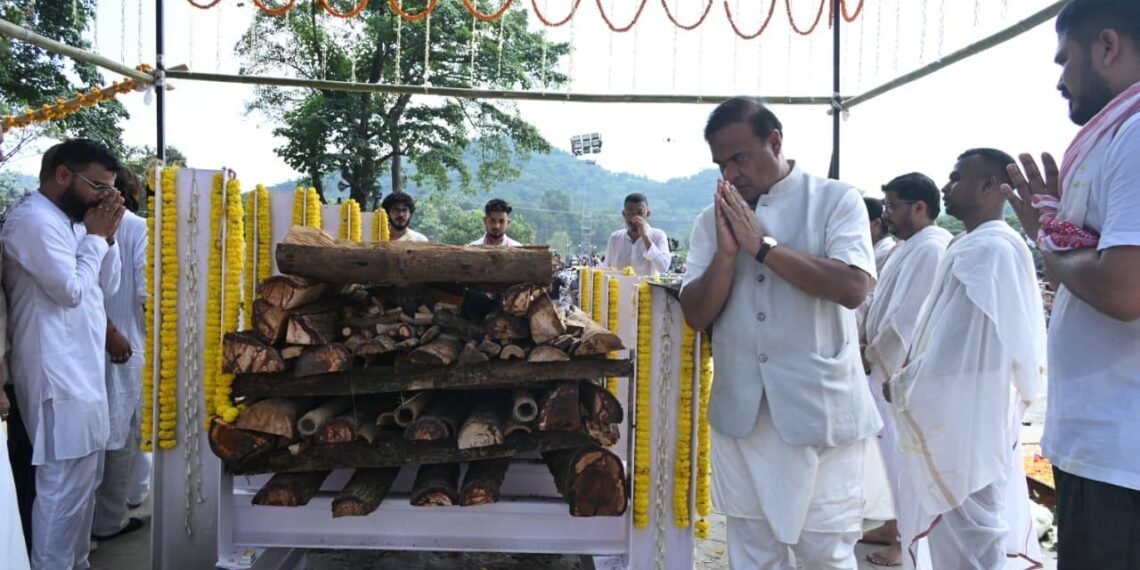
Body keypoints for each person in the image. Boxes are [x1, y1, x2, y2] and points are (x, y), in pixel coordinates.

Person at [680, 97, 880, 569]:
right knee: (753, 553)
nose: (730, 174)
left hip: (821, 412)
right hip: (742, 415)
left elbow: (853, 287)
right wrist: (728, 255)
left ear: (775, 141)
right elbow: (695, 313)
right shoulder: (711, 220)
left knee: (825, 553)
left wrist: (763, 247)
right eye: (721, 164)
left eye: (740, 158)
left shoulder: (835, 199)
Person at [1003, 2, 1140, 567]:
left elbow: (1122, 289)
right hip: (1102, 446)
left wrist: (1047, 238)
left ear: (1106, 47)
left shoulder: (1134, 134)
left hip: (1121, 455)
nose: (1060, 80)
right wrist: (1056, 228)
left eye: (1066, 60)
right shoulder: (1114, 137)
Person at [887, 149, 1044, 570]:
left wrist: (904, 383)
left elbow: (958, 346)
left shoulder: (992, 249)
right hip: (962, 409)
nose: (945, 186)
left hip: (968, 413)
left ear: (989, 185)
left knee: (972, 532)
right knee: (960, 529)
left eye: (956, 178)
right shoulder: (972, 243)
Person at [1, 138, 125, 570]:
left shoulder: (73, 220)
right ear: (62, 175)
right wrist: (95, 236)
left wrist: (107, 238)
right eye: (98, 187)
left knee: (83, 486)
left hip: (84, 374)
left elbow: (105, 288)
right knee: (60, 490)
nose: (104, 198)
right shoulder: (32, 221)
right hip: (56, 374)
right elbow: (70, 291)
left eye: (111, 190)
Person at [859, 173, 953, 568]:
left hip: (898, 372)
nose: (886, 215)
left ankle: (906, 541)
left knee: (901, 457)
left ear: (919, 207)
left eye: (892, 206)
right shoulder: (907, 247)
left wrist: (875, 353)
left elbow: (908, 321)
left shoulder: (932, 247)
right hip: (881, 366)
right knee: (884, 453)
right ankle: (892, 522)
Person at [91, 167, 148, 541]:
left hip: (95, 340)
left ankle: (111, 513)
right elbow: (146, 292)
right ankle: (110, 519)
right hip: (122, 341)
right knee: (119, 436)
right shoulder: (137, 227)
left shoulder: (84, 224)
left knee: (110, 436)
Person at [602, 193, 671, 277]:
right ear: (624, 214)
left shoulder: (658, 236)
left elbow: (663, 267)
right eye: (630, 212)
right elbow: (606, 268)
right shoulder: (615, 238)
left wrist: (645, 237)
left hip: (647, 289)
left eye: (640, 212)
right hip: (619, 289)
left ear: (647, 214)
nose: (635, 217)